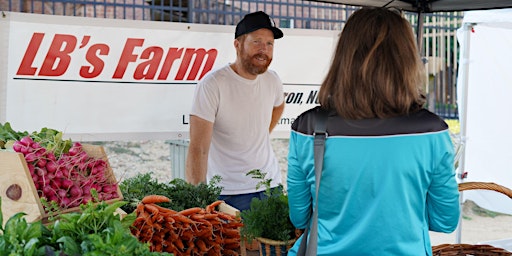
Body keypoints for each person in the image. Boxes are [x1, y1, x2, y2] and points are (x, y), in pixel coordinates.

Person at [287, 7, 460, 256]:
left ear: (344, 58)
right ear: (407, 60)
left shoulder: (308, 126)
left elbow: (299, 217)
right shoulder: (432, 131)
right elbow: (445, 220)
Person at [185, 11, 285, 212]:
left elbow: (279, 105)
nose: (264, 50)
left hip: (270, 185)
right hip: (229, 193)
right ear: (237, 44)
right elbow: (198, 149)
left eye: (269, 44)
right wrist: (199, 202)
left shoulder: (272, 80)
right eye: (256, 42)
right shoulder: (213, 84)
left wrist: (261, 133)